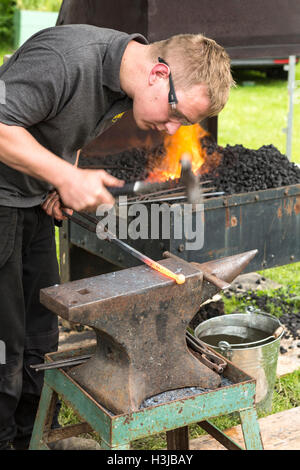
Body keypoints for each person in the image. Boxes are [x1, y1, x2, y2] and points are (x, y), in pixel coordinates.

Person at [0, 24, 234, 450]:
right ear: (158, 75)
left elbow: (58, 124)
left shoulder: (123, 85)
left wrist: (57, 179)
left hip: (29, 200)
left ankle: (27, 440)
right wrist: (64, 175)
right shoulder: (64, 59)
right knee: (4, 346)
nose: (170, 129)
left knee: (39, 335)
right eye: (177, 114)